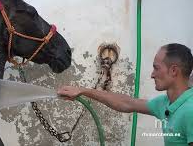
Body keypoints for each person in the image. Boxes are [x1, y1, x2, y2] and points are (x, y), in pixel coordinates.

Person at [57, 43, 193, 146]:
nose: (152, 74)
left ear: (174, 70)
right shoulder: (166, 103)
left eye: (156, 68)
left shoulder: (190, 111)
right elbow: (126, 103)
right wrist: (82, 90)